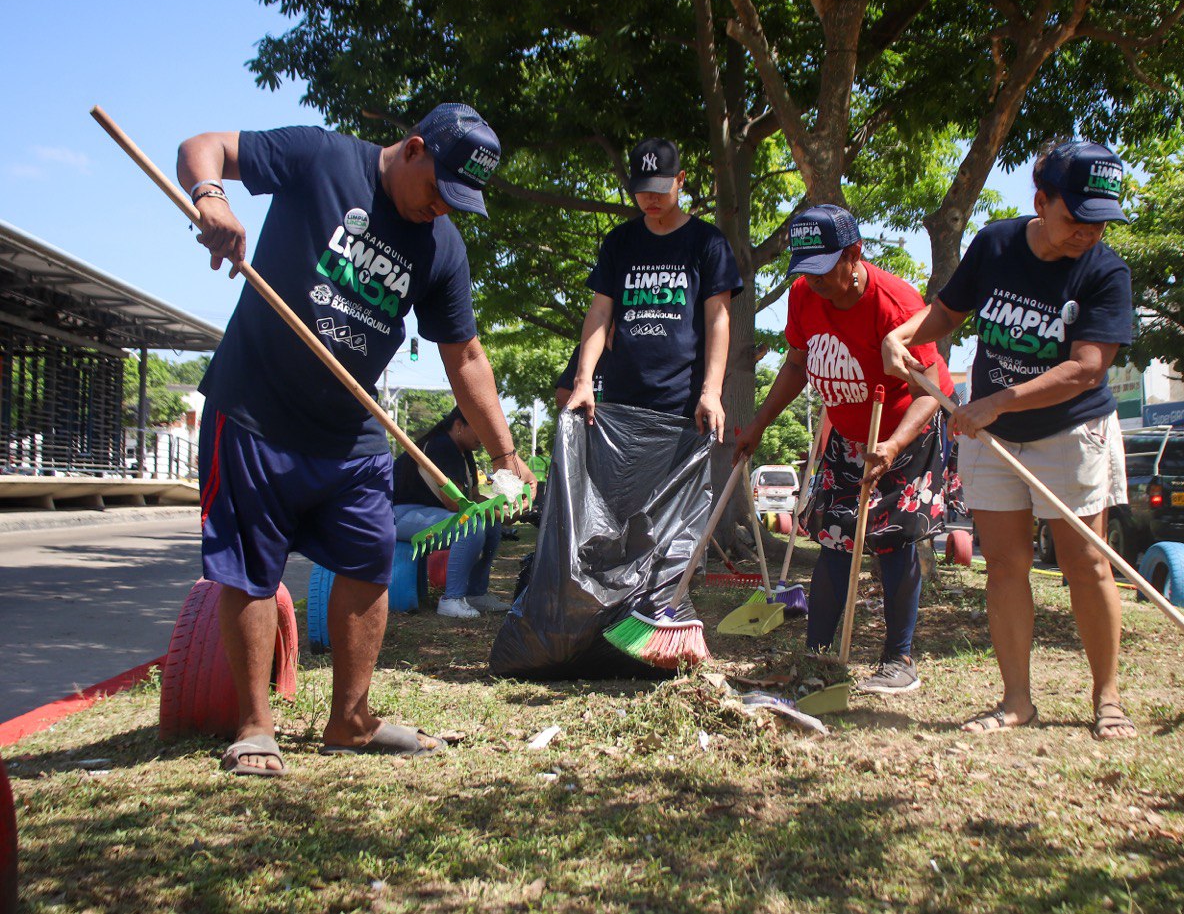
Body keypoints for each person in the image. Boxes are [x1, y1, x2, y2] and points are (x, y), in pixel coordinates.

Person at [178, 103, 534, 775]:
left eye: (458, 201)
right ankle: (256, 726)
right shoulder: (320, 157)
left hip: (351, 427)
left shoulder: (442, 246)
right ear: (414, 147)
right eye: (438, 189)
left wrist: (505, 454)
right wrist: (212, 199)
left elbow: (466, 358)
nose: (441, 209)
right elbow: (204, 146)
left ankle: (350, 720)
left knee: (370, 558)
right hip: (256, 408)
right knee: (254, 570)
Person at [883, 139, 1135, 740]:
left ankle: (1108, 697)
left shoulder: (1105, 272)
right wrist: (905, 332)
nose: (1089, 233)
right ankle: (1017, 700)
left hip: (1071, 431)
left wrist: (994, 402)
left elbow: (1087, 368)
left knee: (1086, 563)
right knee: (1005, 565)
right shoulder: (995, 243)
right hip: (993, 439)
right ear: (1041, 202)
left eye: (1101, 221)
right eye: (1077, 218)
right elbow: (947, 310)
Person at [734, 205, 954, 694]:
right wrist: (758, 425)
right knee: (834, 541)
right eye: (804, 270)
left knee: (892, 541)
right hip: (847, 436)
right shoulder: (803, 296)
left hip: (903, 433)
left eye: (823, 269)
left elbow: (931, 386)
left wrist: (894, 444)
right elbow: (796, 364)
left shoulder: (895, 303)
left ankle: (899, 660)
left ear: (854, 254)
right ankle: (816, 657)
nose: (814, 281)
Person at [564, 138, 742, 438]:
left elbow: (718, 319)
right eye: (643, 189)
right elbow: (599, 312)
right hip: (621, 403)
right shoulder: (618, 242)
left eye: (660, 187)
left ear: (680, 180)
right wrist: (583, 381)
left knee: (683, 488)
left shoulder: (708, 242)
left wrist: (712, 392)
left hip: (684, 406)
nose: (651, 198)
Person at [392, 407, 507, 618]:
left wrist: (500, 507)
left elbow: (473, 496)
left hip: (427, 512)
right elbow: (456, 504)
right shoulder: (441, 445)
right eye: (480, 430)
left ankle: (476, 594)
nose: (485, 438)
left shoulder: (465, 453)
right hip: (399, 514)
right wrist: (495, 510)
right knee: (469, 525)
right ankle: (451, 599)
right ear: (458, 425)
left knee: (491, 525)